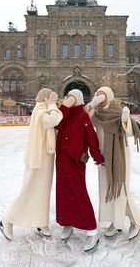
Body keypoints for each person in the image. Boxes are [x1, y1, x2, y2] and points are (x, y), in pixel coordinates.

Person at [0, 88, 63, 239]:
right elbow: (55, 119)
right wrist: (52, 105)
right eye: (51, 98)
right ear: (46, 99)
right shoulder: (41, 112)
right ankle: (7, 220)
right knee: (30, 189)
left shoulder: (41, 111)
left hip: (45, 156)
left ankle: (40, 221)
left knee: (42, 190)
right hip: (39, 159)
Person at [86, 86, 140, 241]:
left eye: (102, 95)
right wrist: (92, 105)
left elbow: (130, 132)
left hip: (118, 157)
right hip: (103, 157)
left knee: (120, 191)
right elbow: (85, 119)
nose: (100, 98)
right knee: (109, 190)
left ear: (109, 96)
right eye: (98, 95)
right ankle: (116, 222)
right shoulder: (98, 113)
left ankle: (136, 222)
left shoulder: (117, 110)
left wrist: (125, 120)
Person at [55, 89, 104, 252]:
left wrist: (97, 157)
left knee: (78, 193)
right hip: (61, 160)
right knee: (63, 193)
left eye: (72, 97)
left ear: (78, 99)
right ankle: (68, 222)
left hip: (75, 162)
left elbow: (92, 137)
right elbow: (57, 123)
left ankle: (92, 229)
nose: (68, 99)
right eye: (67, 96)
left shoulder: (83, 116)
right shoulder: (65, 114)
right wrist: (66, 106)